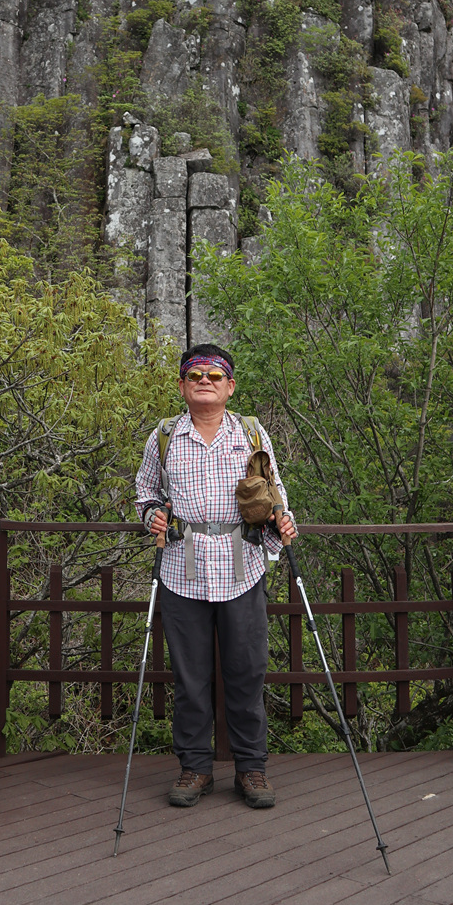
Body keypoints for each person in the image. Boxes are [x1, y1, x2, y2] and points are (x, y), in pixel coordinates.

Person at [135, 343, 296, 809]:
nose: (204, 381)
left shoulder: (250, 433)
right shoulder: (164, 436)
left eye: (214, 375)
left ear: (230, 386)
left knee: (247, 672)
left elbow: (275, 491)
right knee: (189, 677)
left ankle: (251, 768)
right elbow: (145, 491)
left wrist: (282, 519)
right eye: (194, 375)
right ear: (182, 385)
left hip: (241, 564)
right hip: (182, 568)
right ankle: (195, 768)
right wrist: (152, 516)